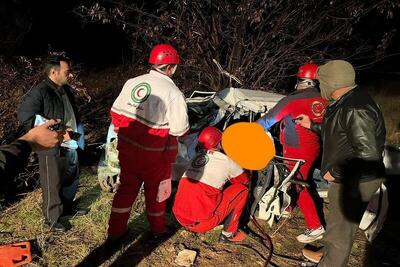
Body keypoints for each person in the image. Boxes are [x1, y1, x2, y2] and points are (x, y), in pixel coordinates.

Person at [297, 60, 386, 266]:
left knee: (340, 233)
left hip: (355, 180)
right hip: (351, 175)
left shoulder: (355, 109)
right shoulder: (347, 100)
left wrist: (335, 172)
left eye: (321, 82)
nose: (320, 87)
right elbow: (340, 133)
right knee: (338, 226)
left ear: (331, 82)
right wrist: (312, 126)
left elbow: (368, 155)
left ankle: (331, 261)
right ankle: (329, 255)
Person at [107, 44, 189, 240]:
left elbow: (116, 114)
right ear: (171, 67)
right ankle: (158, 230)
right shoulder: (173, 93)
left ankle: (115, 233)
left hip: (127, 151)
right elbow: (180, 131)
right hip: (155, 156)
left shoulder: (132, 82)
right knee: (157, 193)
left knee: (125, 191)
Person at [257, 63, 328, 243]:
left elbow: (268, 120)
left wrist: (248, 131)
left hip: (296, 149)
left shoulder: (293, 100)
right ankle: (289, 206)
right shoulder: (324, 99)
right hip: (314, 146)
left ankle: (315, 226)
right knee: (300, 178)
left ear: (301, 80)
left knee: (296, 182)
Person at [18, 54, 86, 232]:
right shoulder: (40, 91)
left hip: (71, 141)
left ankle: (67, 208)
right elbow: (25, 116)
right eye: (67, 71)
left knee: (71, 177)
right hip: (51, 144)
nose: (70, 74)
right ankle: (53, 219)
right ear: (54, 72)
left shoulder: (65, 89)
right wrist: (56, 133)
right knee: (52, 182)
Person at [173, 126, 250, 242]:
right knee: (242, 190)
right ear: (219, 142)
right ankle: (229, 234)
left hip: (179, 218)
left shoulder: (195, 157)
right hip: (202, 224)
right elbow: (244, 181)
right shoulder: (227, 161)